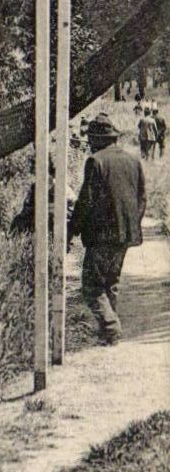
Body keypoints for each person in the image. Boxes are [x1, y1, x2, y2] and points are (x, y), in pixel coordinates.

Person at [68, 112, 146, 347]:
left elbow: (85, 201)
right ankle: (108, 333)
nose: (89, 144)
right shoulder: (133, 160)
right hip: (126, 234)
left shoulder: (96, 161)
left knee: (91, 286)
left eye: (91, 140)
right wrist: (131, 223)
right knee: (111, 282)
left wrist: (71, 230)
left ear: (97, 140)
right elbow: (142, 198)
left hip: (102, 236)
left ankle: (111, 328)